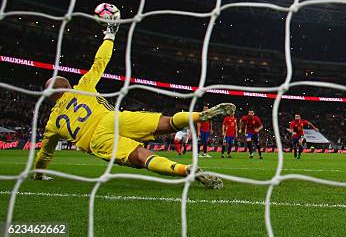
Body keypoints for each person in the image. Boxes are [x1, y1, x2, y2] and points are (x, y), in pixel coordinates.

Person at [34, 19, 234, 188]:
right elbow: (100, 61)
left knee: (141, 156)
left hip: (97, 138)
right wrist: (109, 35)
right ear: (68, 86)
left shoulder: (52, 122)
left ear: (49, 97)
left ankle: (185, 170)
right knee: (167, 123)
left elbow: (45, 153)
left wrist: (39, 173)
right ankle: (199, 115)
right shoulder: (82, 86)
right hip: (112, 118)